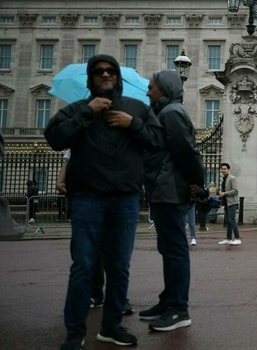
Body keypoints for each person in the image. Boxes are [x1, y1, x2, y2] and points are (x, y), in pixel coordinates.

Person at [45, 54, 164, 350]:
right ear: (91, 79)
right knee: (83, 266)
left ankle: (111, 326)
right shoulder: (76, 109)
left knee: (119, 266)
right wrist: (88, 111)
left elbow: (158, 140)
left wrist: (132, 123)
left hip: (124, 199)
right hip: (88, 198)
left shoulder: (137, 109)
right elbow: (55, 138)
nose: (105, 75)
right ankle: (74, 332)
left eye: (111, 71)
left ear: (117, 78)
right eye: (99, 72)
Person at [139, 70, 207, 333]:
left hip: (170, 188)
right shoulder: (163, 112)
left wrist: (196, 182)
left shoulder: (171, 113)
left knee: (175, 249)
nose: (148, 91)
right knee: (168, 248)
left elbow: (185, 151)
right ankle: (168, 300)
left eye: (151, 87)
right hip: (162, 187)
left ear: (164, 89)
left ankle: (179, 308)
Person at [57, 150, 134, 315]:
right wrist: (61, 177)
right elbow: (71, 154)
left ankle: (118, 298)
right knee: (89, 252)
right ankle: (95, 293)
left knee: (114, 251)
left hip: (116, 190)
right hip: (88, 190)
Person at [217, 163, 241, 246]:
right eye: (222, 169)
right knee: (228, 221)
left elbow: (235, 190)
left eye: (225, 169)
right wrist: (221, 195)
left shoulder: (232, 179)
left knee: (232, 220)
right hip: (226, 202)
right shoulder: (224, 179)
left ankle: (237, 238)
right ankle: (229, 239)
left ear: (228, 169)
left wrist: (225, 193)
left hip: (232, 202)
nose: (223, 170)